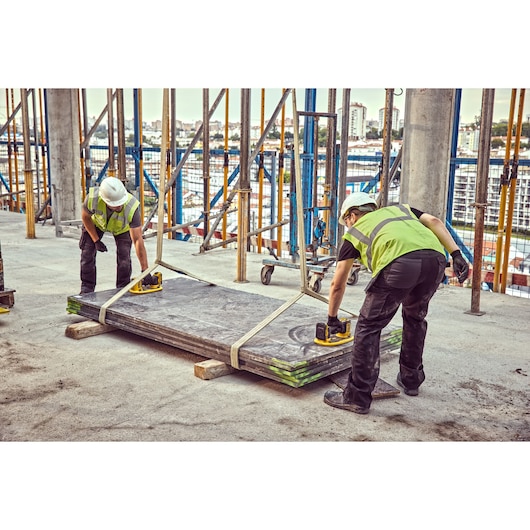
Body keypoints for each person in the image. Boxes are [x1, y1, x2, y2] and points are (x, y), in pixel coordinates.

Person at [324, 191, 469, 415]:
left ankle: (357, 397)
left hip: (400, 265)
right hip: (434, 261)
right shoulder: (401, 209)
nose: (347, 224)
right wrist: (456, 254)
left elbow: (337, 284)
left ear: (353, 215)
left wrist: (332, 318)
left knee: (368, 327)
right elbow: (434, 221)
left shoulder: (353, 234)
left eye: (346, 220)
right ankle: (411, 380)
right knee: (414, 318)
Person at [79, 177, 155, 294]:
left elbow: (138, 240)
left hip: (122, 229)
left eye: (120, 203)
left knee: (124, 259)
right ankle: (87, 288)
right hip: (97, 224)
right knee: (87, 254)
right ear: (105, 201)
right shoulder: (92, 198)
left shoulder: (131, 207)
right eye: (115, 205)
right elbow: (85, 217)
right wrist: (96, 240)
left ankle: (122, 288)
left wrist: (145, 271)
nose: (119, 207)